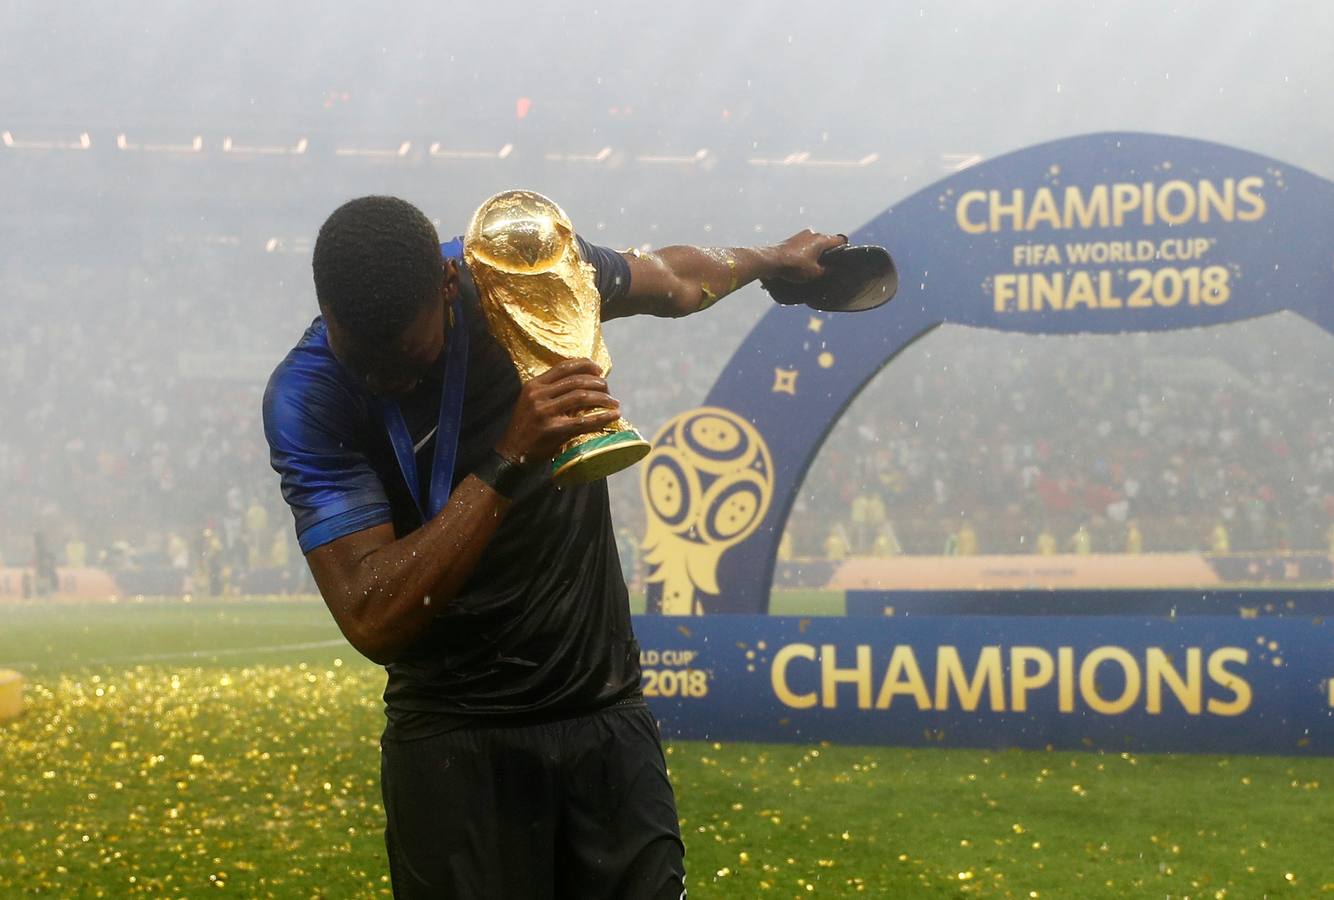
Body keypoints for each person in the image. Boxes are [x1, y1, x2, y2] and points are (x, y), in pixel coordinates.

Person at [262, 195, 842, 899]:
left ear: (450, 286)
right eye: (364, 359)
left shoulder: (516, 271)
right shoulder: (310, 396)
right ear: (326, 313)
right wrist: (509, 458)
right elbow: (371, 616)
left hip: (601, 712)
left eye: (408, 356)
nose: (388, 379)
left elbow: (667, 278)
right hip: (452, 741)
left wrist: (771, 260)